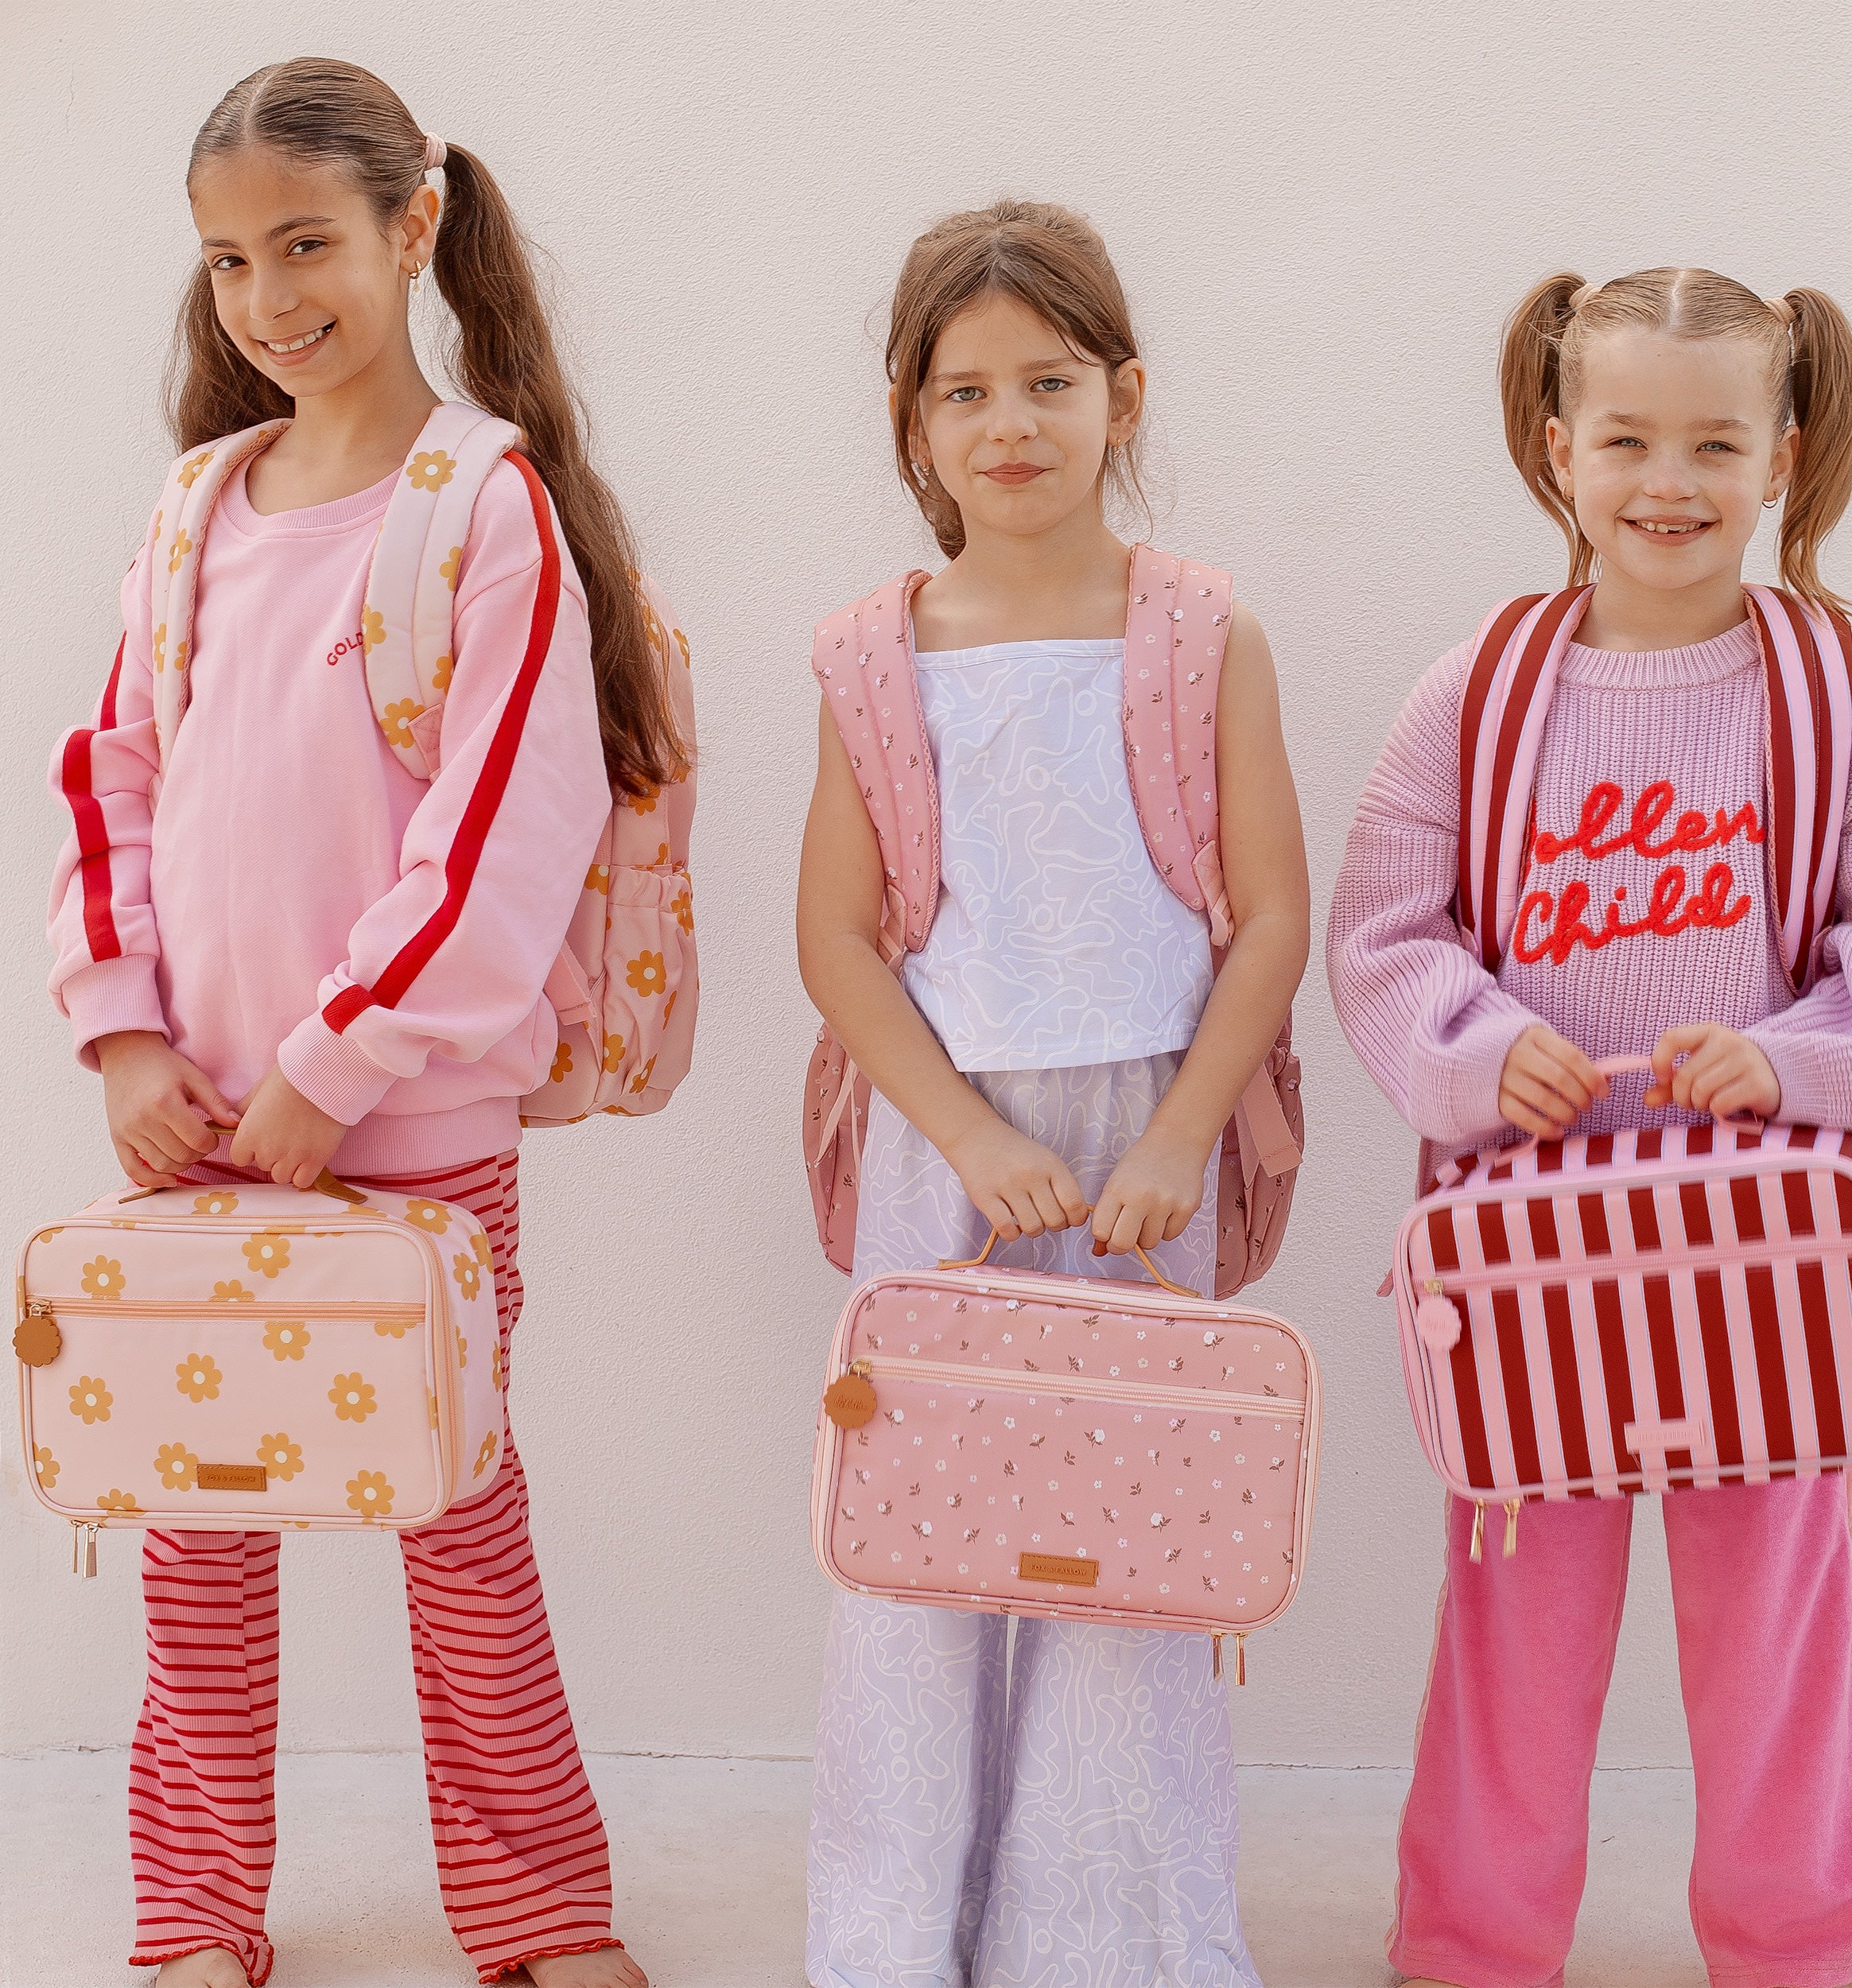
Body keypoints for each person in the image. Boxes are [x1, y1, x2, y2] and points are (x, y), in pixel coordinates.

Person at [45, 56, 685, 1988]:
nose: (265, 296)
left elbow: (501, 830)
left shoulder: (482, 506)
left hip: (407, 1139)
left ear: (414, 229)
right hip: (191, 1140)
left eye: (305, 243)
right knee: (196, 1550)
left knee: (460, 1531)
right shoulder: (193, 508)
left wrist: (333, 1068)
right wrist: (129, 1037)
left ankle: (537, 1907)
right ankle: (191, 1910)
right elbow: (111, 781)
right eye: (230, 259)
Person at [1326, 267, 1852, 1988]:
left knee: (1773, 1626)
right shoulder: (1478, 691)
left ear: (1781, 452)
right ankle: (1469, 1941)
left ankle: (1797, 1939)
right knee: (1511, 1633)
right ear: (1555, 448)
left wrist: (1793, 1053)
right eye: (1622, 436)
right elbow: (1383, 931)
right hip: (1534, 1263)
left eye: (1710, 439)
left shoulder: (1835, 696)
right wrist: (1473, 1051)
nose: (1664, 479)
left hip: (1761, 1260)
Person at [795, 199, 1310, 1988]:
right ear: (909, 421)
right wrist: (961, 1133)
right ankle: (890, 1934)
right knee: (916, 1557)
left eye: (1048, 379)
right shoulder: (876, 656)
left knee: (1125, 1554)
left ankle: (1107, 1936)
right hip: (952, 1164)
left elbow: (1265, 920)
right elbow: (841, 942)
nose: (1008, 422)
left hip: (1132, 1161)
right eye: (963, 392)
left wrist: (1174, 1134)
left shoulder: (1198, 633)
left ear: (1124, 394)